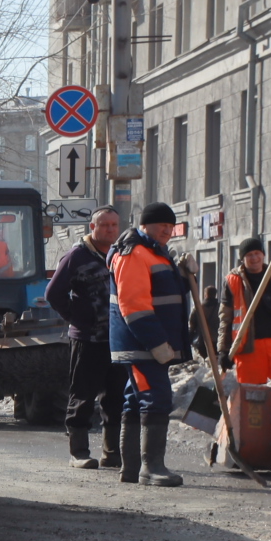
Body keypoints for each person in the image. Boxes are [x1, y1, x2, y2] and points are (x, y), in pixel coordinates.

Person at [110, 202, 193, 488]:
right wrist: (157, 343)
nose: (168, 231)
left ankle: (132, 468)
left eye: (171, 227)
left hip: (146, 344)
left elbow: (164, 295)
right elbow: (133, 305)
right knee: (155, 399)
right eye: (162, 226)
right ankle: (151, 467)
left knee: (136, 400)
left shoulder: (155, 253)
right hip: (142, 344)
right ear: (145, 225)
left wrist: (182, 277)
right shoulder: (134, 253)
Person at [44, 205, 124, 469]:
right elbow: (53, 294)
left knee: (115, 397)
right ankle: (78, 452)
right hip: (87, 339)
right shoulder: (76, 256)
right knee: (83, 395)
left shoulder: (120, 255)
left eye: (114, 225)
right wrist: (78, 318)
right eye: (104, 225)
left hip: (117, 339)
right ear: (93, 227)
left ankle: (112, 452)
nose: (110, 229)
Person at [219, 236, 271, 386]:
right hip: (248, 346)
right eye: (249, 255)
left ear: (263, 254)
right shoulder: (233, 281)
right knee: (249, 393)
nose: (254, 258)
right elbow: (225, 318)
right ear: (242, 259)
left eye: (257, 253)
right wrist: (223, 350)